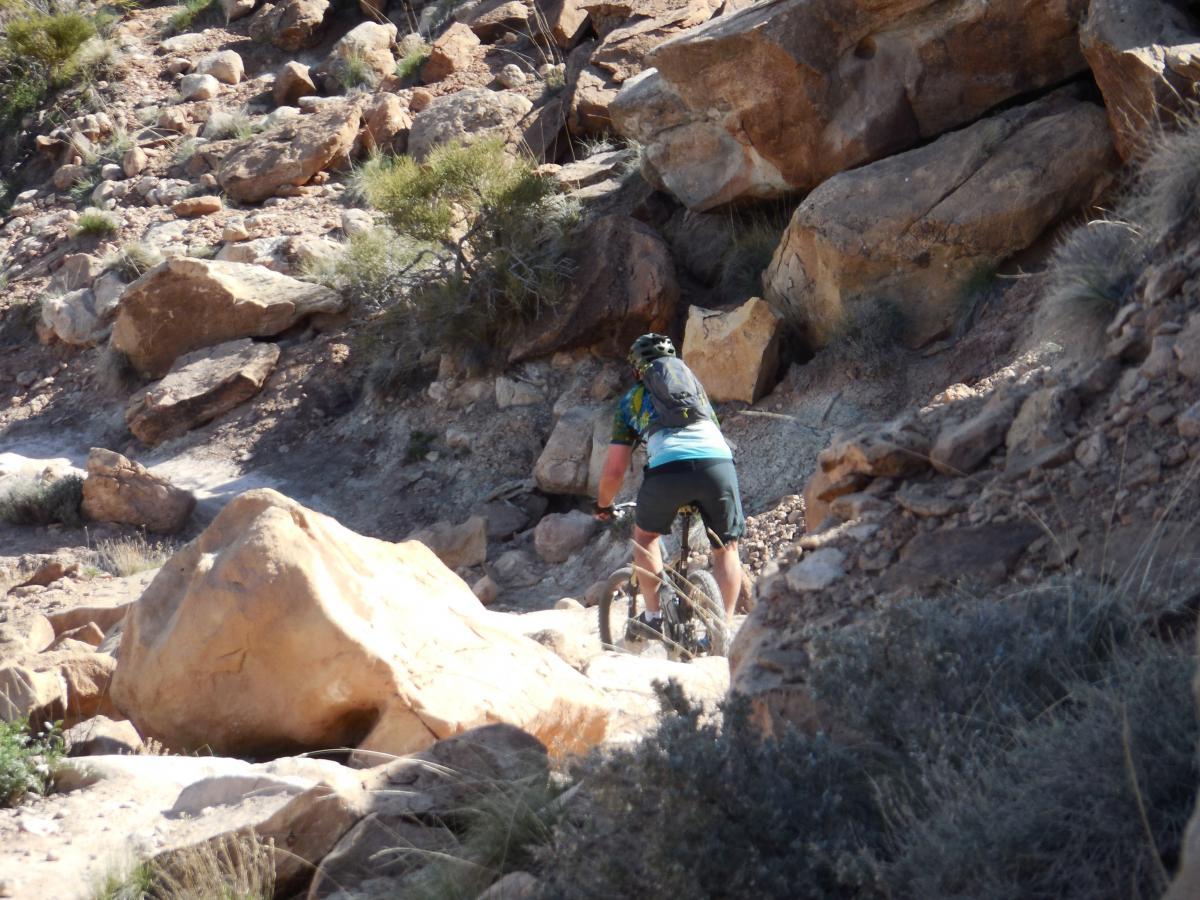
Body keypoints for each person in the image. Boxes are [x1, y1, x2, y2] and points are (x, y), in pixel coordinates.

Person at [594, 333, 746, 635]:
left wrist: (603, 505)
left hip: (668, 471)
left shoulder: (632, 400)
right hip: (718, 465)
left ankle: (653, 619)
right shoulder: (695, 391)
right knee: (726, 547)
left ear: (638, 369)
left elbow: (614, 470)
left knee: (646, 537)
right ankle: (722, 633)